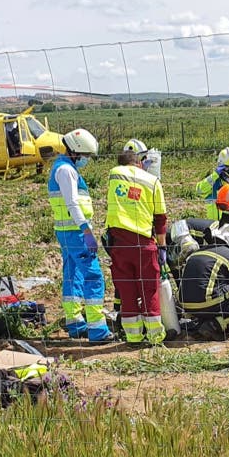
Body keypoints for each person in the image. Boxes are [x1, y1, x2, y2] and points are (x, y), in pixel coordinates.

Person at [48, 128, 111, 343]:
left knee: (72, 275)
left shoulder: (60, 167)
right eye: (85, 156)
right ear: (76, 151)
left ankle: (75, 322)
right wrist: (87, 231)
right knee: (93, 276)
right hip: (76, 233)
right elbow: (72, 203)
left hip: (66, 232)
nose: (86, 160)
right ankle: (98, 329)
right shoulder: (67, 171)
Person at [105, 146, 168, 345]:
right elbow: (160, 218)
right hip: (144, 244)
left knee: (127, 290)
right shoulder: (153, 181)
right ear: (140, 163)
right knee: (149, 290)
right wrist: (162, 247)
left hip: (119, 244)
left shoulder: (114, 175)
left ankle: (133, 337)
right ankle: (155, 337)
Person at [177, 223, 229, 340]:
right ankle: (213, 325)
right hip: (208, 302)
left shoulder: (198, 251)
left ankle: (202, 322)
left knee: (219, 292)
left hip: (185, 303)